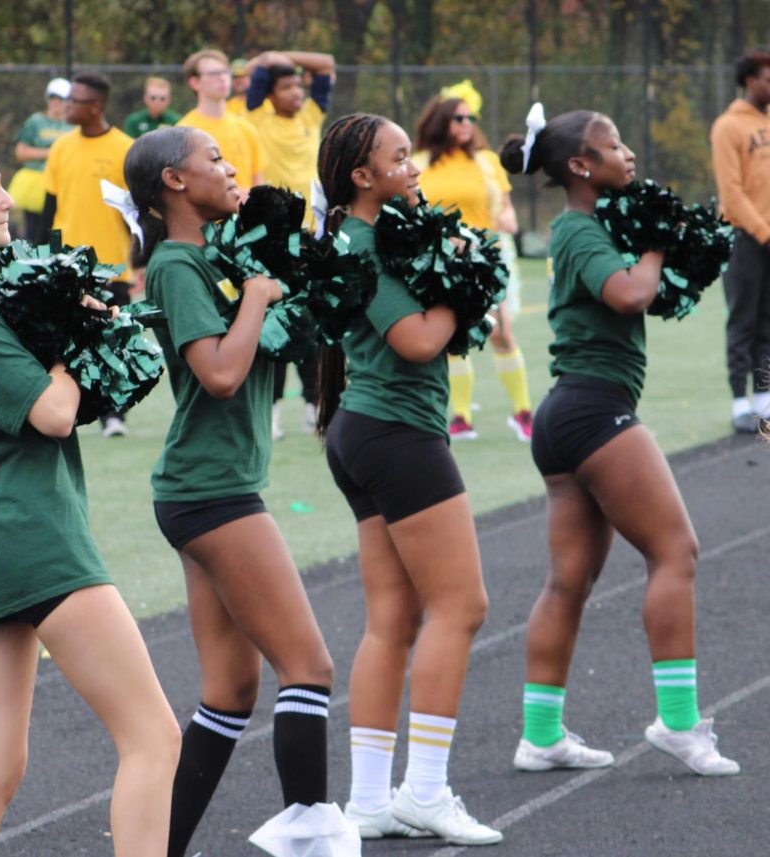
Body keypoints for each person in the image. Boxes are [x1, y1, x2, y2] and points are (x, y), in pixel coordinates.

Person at [0, 141, 179, 857]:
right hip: (35, 537)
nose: (5, 200)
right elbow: (52, 411)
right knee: (153, 738)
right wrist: (70, 336)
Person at [499, 107, 739, 777]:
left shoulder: (587, 226)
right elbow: (632, 292)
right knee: (676, 550)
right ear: (581, 164)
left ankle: (540, 734)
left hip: (569, 413)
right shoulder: (576, 230)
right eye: (614, 145)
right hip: (591, 409)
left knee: (568, 580)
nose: (628, 153)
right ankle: (681, 723)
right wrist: (659, 244)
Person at [126, 126, 340, 857]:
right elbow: (218, 373)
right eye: (213, 159)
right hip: (212, 492)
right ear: (175, 183)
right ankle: (312, 832)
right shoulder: (177, 266)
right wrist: (254, 295)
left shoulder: (213, 256)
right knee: (309, 668)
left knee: (227, 694)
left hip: (205, 488)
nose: (230, 167)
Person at [313, 113, 502, 846]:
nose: (414, 165)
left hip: (368, 431)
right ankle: (424, 790)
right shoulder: (360, 243)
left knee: (393, 620)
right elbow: (419, 339)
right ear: (363, 177)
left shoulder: (373, 235)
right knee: (463, 604)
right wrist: (466, 276)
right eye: (400, 157)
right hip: (395, 434)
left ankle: (368, 801)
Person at [414, 87, 534, 442]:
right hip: (441, 261)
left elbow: (505, 205)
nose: (467, 124)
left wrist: (508, 217)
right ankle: (461, 417)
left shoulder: (486, 161)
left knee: (501, 332)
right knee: (451, 336)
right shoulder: (420, 163)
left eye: (471, 118)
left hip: (485, 259)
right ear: (441, 122)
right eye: (458, 118)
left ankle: (523, 412)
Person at [243, 49, 336, 437]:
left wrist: (288, 56)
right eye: (286, 87)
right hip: (273, 239)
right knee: (274, 320)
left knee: (312, 324)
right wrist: (267, 58)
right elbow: (253, 73)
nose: (296, 93)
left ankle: (315, 404)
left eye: (299, 85)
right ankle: (273, 408)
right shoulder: (257, 118)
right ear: (270, 94)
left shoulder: (311, 117)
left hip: (311, 237)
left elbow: (327, 64)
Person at [42, 71, 134, 437]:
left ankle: (115, 414)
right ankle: (71, 409)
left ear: (95, 106)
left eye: (74, 101)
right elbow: (50, 206)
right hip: (66, 265)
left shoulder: (125, 148)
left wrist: (139, 260)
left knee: (111, 339)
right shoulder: (61, 147)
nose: (66, 106)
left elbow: (134, 214)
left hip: (112, 264)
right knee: (65, 341)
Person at [709, 48, 770, 434]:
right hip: (744, 238)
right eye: (768, 77)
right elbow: (731, 192)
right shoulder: (728, 127)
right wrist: (764, 232)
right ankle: (738, 403)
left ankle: (764, 398)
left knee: (768, 320)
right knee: (743, 319)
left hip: (767, 238)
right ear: (750, 81)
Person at [176, 50, 264, 195]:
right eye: (213, 74)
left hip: (245, 216)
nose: (222, 78)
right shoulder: (184, 132)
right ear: (195, 82)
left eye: (225, 72)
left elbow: (258, 183)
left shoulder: (247, 128)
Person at [9, 77, 72, 240]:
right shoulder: (36, 121)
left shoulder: (74, 124)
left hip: (65, 181)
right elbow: (21, 153)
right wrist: (51, 153)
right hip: (37, 182)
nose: (56, 102)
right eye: (53, 97)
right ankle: (31, 263)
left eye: (61, 98)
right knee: (34, 229)